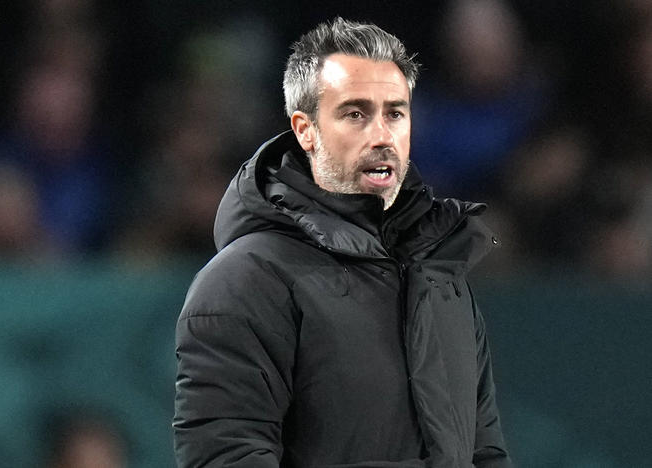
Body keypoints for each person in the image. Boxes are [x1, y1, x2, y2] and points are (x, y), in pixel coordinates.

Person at [173, 17, 512, 468]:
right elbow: (226, 457)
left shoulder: (441, 277)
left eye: (395, 112)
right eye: (356, 114)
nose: (381, 136)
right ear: (305, 130)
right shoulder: (244, 281)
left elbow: (484, 453)